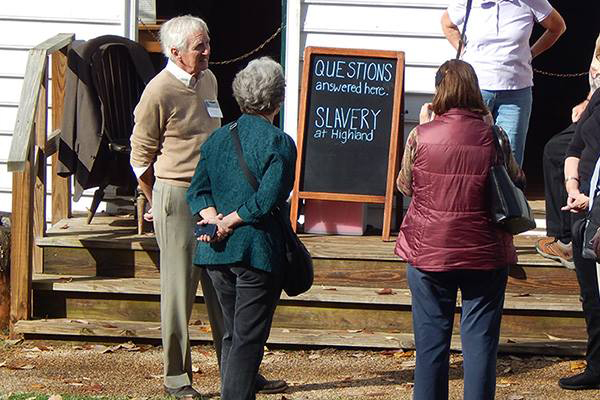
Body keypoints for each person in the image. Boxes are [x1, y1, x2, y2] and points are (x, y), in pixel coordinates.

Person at [129, 16, 286, 399]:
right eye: (200, 47)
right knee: (180, 289)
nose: (208, 52)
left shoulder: (210, 80)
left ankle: (238, 371)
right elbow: (139, 158)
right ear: (176, 52)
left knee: (224, 289)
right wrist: (155, 201)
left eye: (207, 43)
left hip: (217, 197)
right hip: (177, 192)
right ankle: (176, 377)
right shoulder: (158, 92)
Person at [395, 59, 525, 400]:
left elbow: (405, 186)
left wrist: (424, 126)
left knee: (430, 348)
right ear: (473, 89)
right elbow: (515, 180)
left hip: (428, 251)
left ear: (440, 90)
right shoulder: (494, 135)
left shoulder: (419, 136)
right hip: (484, 251)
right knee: (480, 345)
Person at [186, 57, 295, 400]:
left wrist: (216, 218)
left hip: (215, 249)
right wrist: (230, 221)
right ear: (278, 99)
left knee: (234, 335)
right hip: (255, 251)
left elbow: (197, 191)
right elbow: (268, 199)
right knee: (248, 339)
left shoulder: (217, 139)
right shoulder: (279, 142)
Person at [441, 0, 566, 166]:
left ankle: (507, 193)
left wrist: (531, 54)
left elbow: (557, 27)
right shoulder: (469, 1)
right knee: (471, 153)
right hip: (475, 91)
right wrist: (464, 53)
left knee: (510, 159)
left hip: (516, 92)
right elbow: (447, 23)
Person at [536, 33, 600, 269]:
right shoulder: (598, 43)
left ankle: (568, 240)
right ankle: (563, 236)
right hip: (594, 111)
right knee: (555, 150)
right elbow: (595, 86)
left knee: (567, 153)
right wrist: (586, 103)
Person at [557, 85, 600, 391]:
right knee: (591, 296)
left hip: (596, 204)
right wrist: (573, 187)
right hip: (583, 206)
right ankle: (597, 365)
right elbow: (574, 148)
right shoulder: (598, 97)